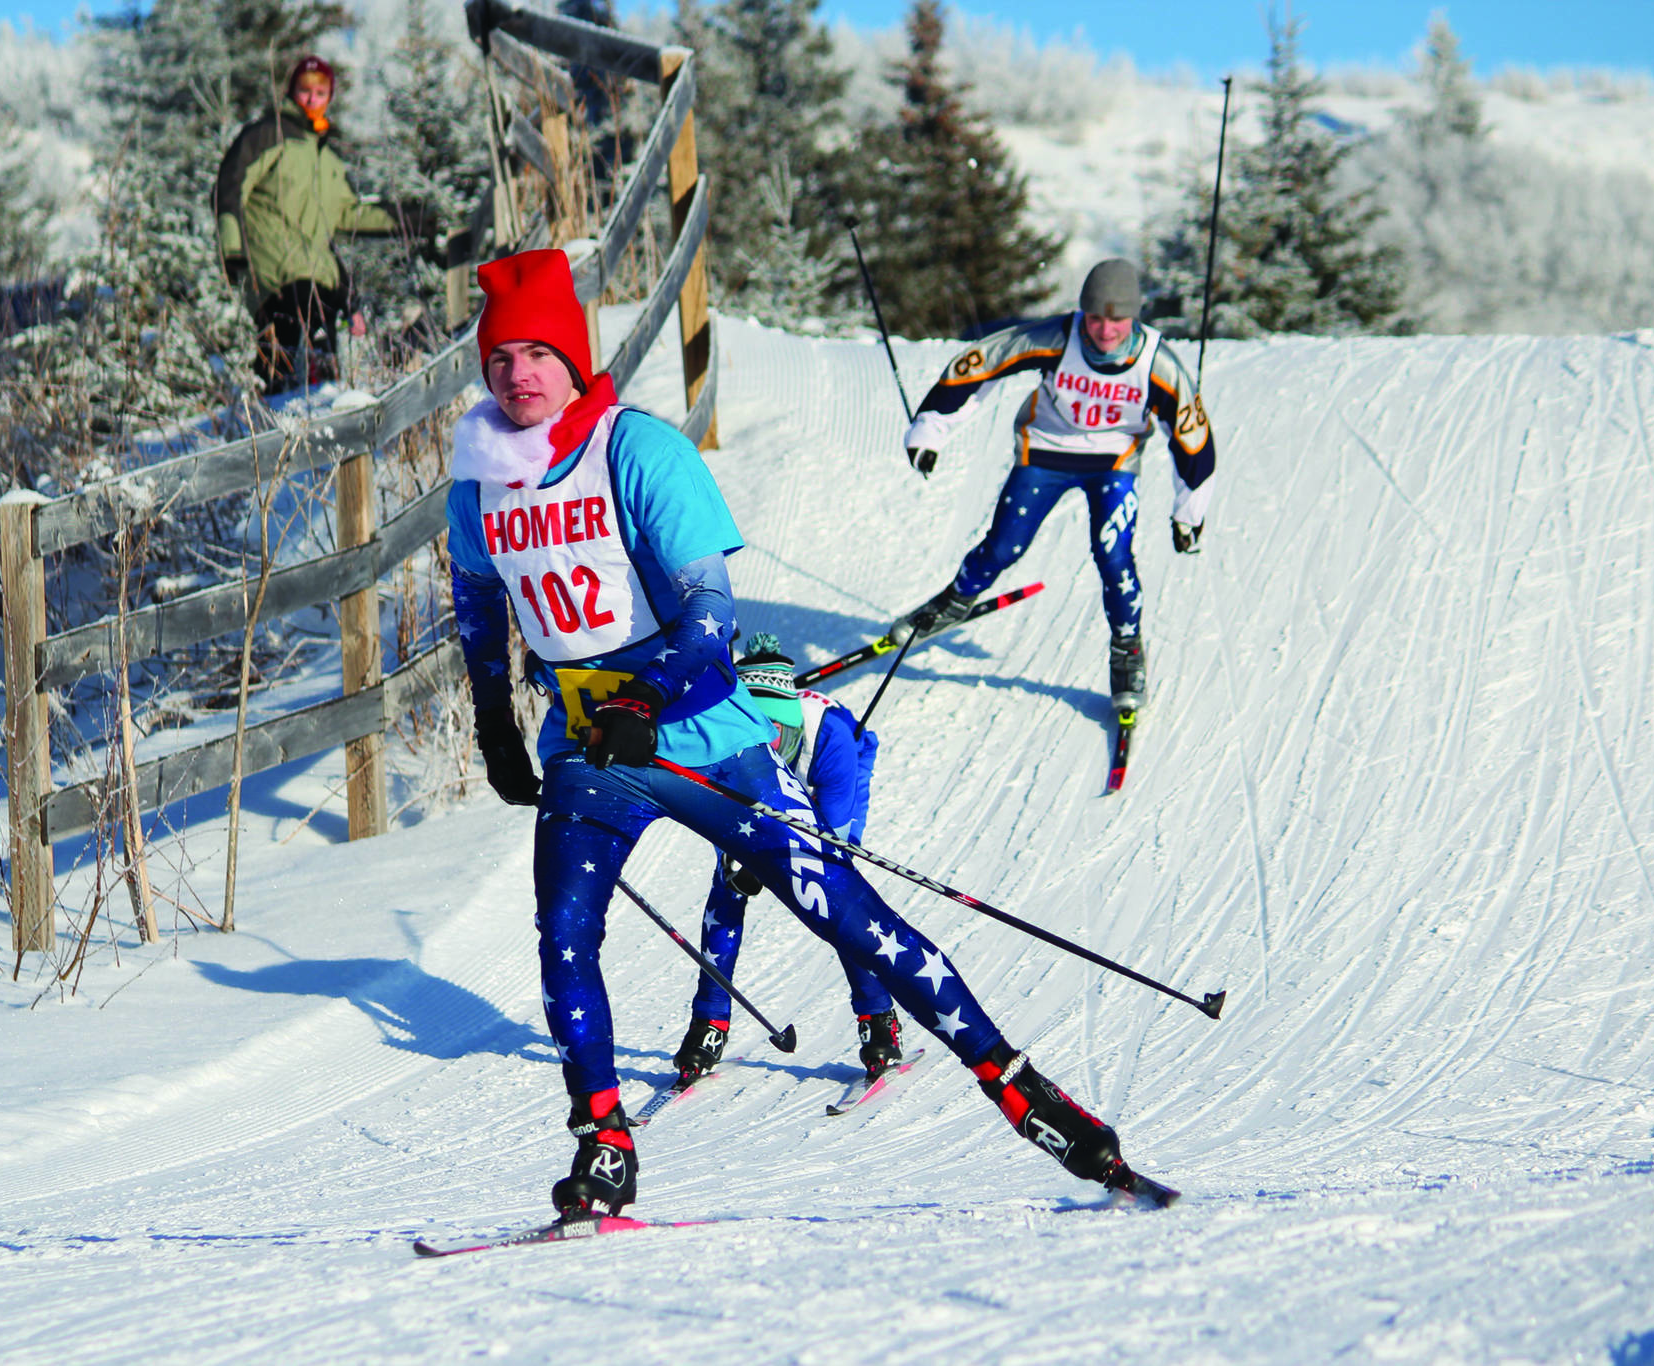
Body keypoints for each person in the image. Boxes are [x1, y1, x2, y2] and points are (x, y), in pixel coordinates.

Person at [446, 247, 1158, 1220]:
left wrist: (641, 700)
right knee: (562, 939)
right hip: (592, 754)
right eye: (501, 358)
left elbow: (708, 621)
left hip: (703, 738)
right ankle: (603, 1143)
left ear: (574, 359)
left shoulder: (637, 451)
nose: (519, 373)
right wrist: (493, 720)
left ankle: (1015, 1083)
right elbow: (477, 602)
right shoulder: (479, 477)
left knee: (844, 913)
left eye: (539, 352)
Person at [892, 258, 1216, 713]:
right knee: (1004, 547)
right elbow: (980, 364)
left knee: (1113, 554)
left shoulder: (1157, 364)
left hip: (1114, 462)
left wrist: (1189, 512)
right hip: (1044, 452)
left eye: (1118, 320)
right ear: (1084, 311)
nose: (1105, 331)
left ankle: (1127, 650)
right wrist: (931, 428)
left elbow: (1192, 439)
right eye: (1097, 318)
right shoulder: (1055, 337)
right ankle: (955, 601)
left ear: (1135, 317)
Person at [671, 634, 904, 1089]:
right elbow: (723, 815)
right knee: (727, 892)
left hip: (829, 782)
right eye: (762, 737)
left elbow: (827, 841)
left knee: (835, 892)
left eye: (780, 736)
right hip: (750, 789)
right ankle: (710, 1022)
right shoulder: (727, 741)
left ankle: (878, 1017)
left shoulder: (830, 736)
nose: (772, 747)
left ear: (793, 724)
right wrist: (738, 863)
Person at [212, 54, 429, 392]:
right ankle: (276, 416)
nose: (312, 99)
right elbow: (230, 184)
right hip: (272, 267)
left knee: (319, 352)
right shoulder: (268, 133)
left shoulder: (327, 158)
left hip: (315, 269)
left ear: (330, 97)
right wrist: (232, 250)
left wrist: (410, 220)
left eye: (321, 92)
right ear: (291, 92)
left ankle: (313, 413)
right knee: (286, 342)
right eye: (304, 90)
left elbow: (347, 214)